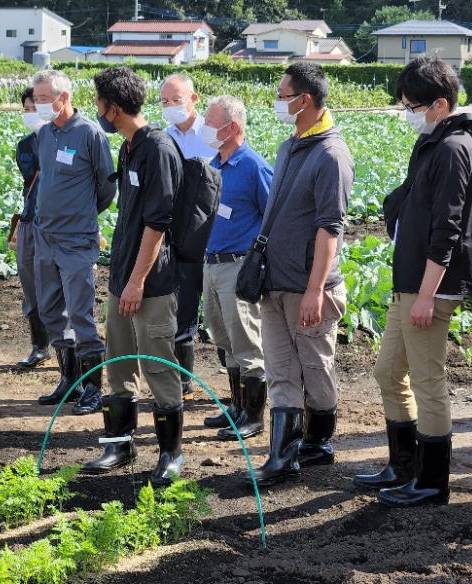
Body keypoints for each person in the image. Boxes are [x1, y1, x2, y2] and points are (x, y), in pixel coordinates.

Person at [354, 57, 472, 507]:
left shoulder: (454, 149)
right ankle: (402, 464)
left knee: (427, 380)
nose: (407, 113)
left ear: (441, 104)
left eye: (412, 105)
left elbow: (447, 230)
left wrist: (427, 295)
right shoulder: (434, 142)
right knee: (388, 371)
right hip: (410, 280)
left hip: (430, 287)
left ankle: (431, 482)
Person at [240, 63, 352, 486]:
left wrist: (315, 290)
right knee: (280, 369)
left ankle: (319, 442)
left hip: (308, 287)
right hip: (274, 281)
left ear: (304, 99)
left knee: (315, 368)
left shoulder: (331, 154)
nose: (278, 101)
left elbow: (330, 228)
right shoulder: (291, 146)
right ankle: (282, 455)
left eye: (284, 94)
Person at [81, 66, 184, 486]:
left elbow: (158, 223)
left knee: (157, 364)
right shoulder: (128, 148)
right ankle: (119, 442)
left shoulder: (158, 148)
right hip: (122, 277)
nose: (98, 112)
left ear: (115, 108)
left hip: (151, 283)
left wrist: (138, 281)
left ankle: (171, 454)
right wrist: (122, 279)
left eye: (100, 105)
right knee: (118, 362)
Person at [31, 69, 116, 415]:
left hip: (76, 240)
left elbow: (106, 187)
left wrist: (82, 216)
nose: (38, 105)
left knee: (81, 314)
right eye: (35, 99)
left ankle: (93, 388)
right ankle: (69, 379)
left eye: (43, 99)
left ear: (63, 98)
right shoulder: (46, 133)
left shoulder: (89, 134)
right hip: (45, 237)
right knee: (51, 310)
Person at [198, 95, 272, 440]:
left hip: (239, 266)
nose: (206, 128)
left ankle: (254, 416)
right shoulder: (214, 164)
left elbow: (273, 219)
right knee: (223, 336)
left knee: (246, 341)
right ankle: (237, 406)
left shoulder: (253, 166)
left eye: (212, 122)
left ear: (233, 128)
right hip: (211, 263)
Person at [160, 73, 217, 399]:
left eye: (176, 100)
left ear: (194, 99)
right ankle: (183, 380)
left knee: (216, 310)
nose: (170, 107)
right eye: (165, 102)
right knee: (178, 308)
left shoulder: (211, 137)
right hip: (171, 235)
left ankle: (238, 390)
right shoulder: (163, 137)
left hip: (208, 236)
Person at [13, 87, 50, 368]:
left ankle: (66, 348)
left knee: (58, 287)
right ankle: (39, 346)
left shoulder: (63, 141)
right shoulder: (24, 146)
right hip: (29, 219)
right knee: (29, 284)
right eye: (26, 109)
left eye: (34, 108)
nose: (30, 114)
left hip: (55, 225)